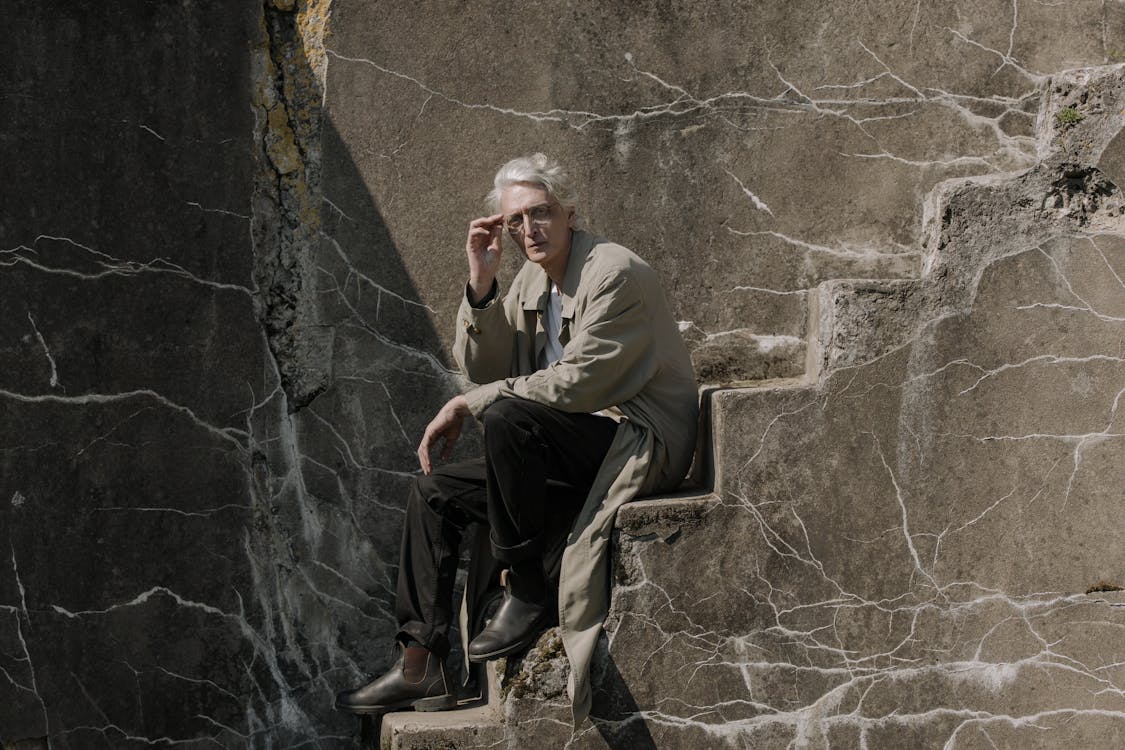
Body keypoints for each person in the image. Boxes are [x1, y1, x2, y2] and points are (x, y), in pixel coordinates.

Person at [335, 153, 698, 724]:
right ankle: (418, 662)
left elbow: (580, 384)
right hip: (565, 441)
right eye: (515, 222)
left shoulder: (614, 273)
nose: (529, 230)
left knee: (507, 416)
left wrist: (466, 403)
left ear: (569, 212)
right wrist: (482, 286)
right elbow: (488, 365)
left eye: (541, 213)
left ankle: (527, 589)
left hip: (634, 442)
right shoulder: (534, 279)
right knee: (434, 491)